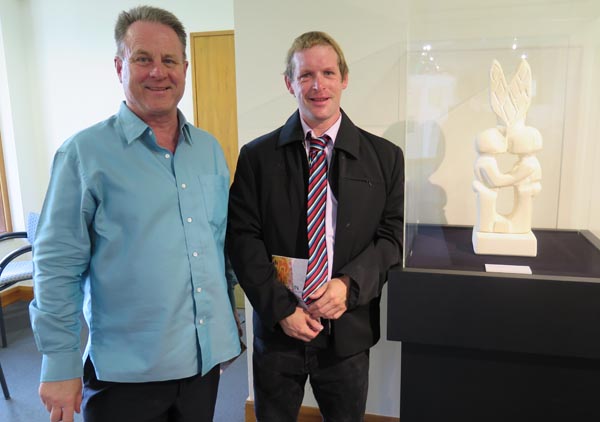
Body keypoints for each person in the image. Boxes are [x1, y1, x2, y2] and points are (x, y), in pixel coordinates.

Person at [29, 6, 240, 422]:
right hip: (127, 375)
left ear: (185, 67)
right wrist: (60, 362)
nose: (158, 72)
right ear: (119, 66)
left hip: (202, 365)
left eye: (169, 60)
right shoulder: (84, 155)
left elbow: (219, 249)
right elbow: (56, 266)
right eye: (143, 58)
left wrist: (225, 328)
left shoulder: (209, 150)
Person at [226, 31, 404, 421]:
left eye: (327, 72)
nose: (318, 85)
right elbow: (242, 238)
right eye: (305, 75)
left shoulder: (386, 158)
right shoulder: (257, 157)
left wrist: (349, 285)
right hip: (278, 330)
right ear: (289, 83)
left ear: (344, 79)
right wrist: (280, 309)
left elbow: (392, 239)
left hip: (348, 329)